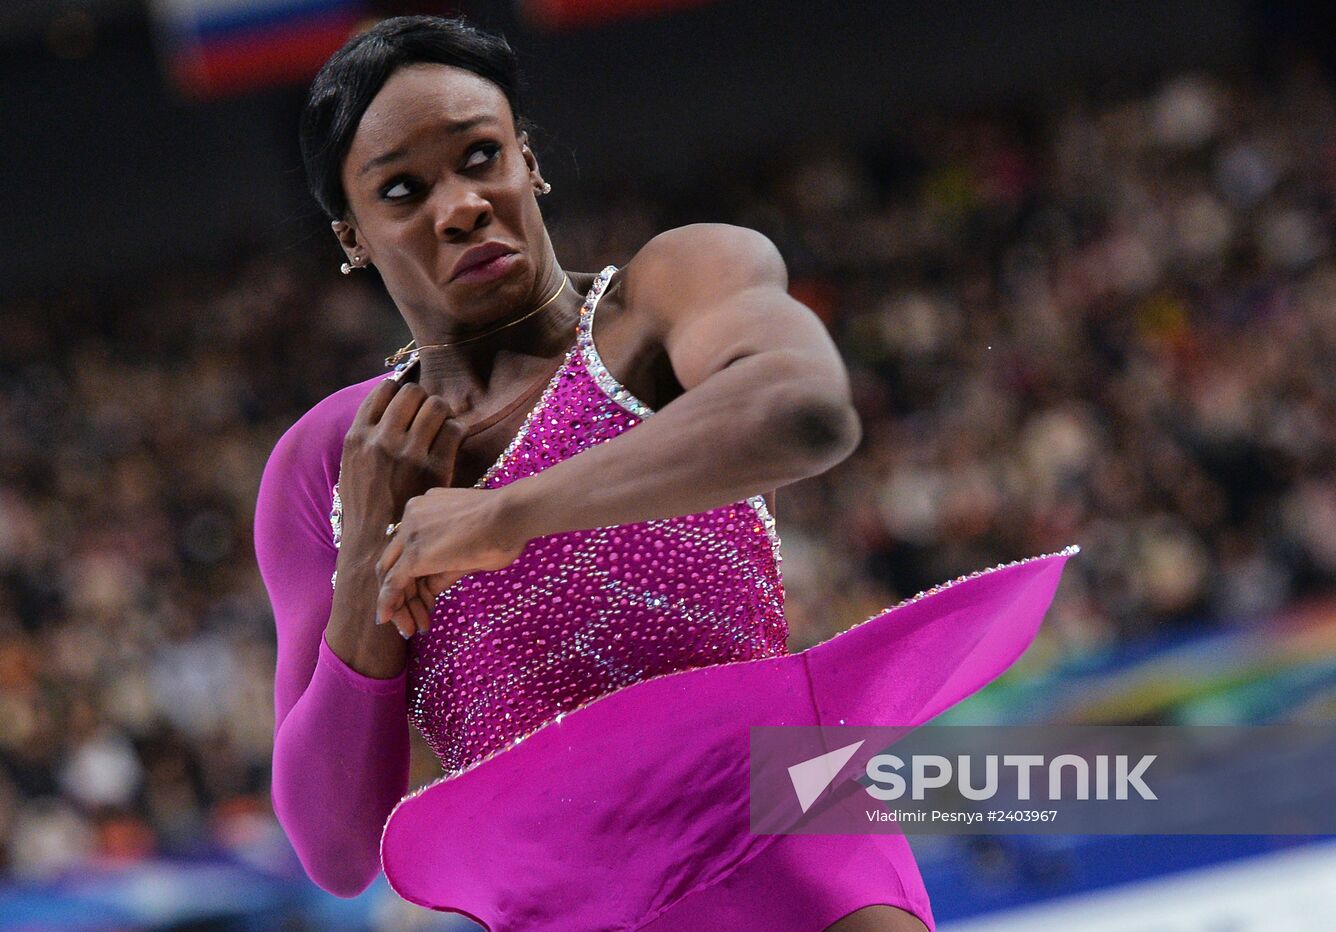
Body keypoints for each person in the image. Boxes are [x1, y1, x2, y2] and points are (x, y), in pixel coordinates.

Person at [253, 14, 1076, 930]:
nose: (458, 205)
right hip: (561, 900)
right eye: (402, 190)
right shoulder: (328, 462)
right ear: (352, 234)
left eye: (480, 156)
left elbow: (802, 409)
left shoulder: (663, 296)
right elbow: (333, 848)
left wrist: (505, 517)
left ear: (527, 159)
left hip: (783, 830)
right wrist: (367, 555)